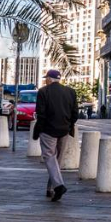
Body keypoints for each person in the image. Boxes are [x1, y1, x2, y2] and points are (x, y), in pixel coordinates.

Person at [33, 69, 78, 202]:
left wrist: (38, 130)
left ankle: (58, 186)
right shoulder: (70, 92)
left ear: (49, 79)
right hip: (65, 129)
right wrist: (69, 125)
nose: (45, 80)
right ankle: (51, 189)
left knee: (49, 157)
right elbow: (75, 113)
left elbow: (41, 114)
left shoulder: (43, 92)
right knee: (57, 160)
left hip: (48, 130)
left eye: (45, 78)